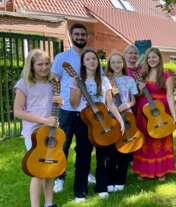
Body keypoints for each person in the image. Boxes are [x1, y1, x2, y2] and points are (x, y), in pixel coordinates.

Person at [70, 49, 125, 202]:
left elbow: (110, 104)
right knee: (83, 156)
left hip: (103, 121)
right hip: (83, 121)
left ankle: (101, 187)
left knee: (104, 156)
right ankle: (80, 192)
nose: (92, 61)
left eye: (94, 58)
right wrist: (77, 88)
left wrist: (120, 120)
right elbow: (74, 104)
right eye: (88, 59)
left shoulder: (104, 80)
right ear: (83, 62)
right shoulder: (77, 80)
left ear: (98, 61)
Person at [14, 49, 62, 207]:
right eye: (40, 64)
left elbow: (53, 107)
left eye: (47, 64)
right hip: (33, 134)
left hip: (51, 132)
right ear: (31, 65)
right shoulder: (24, 84)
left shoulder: (53, 81)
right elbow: (18, 111)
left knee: (51, 169)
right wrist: (43, 120)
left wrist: (59, 104)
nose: (44, 67)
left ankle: (49, 204)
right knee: (38, 172)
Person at [51, 23, 96, 193]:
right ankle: (59, 177)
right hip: (67, 109)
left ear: (87, 36)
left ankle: (86, 173)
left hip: (86, 109)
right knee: (63, 144)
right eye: (76, 34)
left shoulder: (91, 56)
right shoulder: (62, 57)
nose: (80, 37)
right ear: (71, 36)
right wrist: (56, 99)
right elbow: (54, 78)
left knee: (85, 145)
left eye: (83, 34)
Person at [132, 47, 176, 181]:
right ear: (146, 59)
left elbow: (169, 95)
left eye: (154, 57)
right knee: (145, 140)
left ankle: (161, 170)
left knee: (160, 139)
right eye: (149, 57)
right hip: (144, 112)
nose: (152, 60)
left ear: (159, 58)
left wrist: (173, 115)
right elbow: (138, 95)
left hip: (161, 111)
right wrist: (139, 89)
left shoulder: (167, 74)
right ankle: (143, 170)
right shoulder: (142, 74)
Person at [104, 52, 138, 191]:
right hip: (111, 116)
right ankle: (110, 179)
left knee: (125, 148)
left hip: (127, 117)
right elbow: (103, 100)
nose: (116, 65)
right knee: (111, 150)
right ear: (109, 65)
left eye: (119, 62)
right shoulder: (105, 80)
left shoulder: (129, 80)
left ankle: (120, 179)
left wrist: (128, 105)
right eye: (113, 62)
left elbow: (133, 100)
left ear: (123, 63)